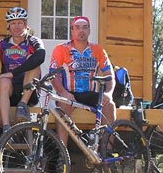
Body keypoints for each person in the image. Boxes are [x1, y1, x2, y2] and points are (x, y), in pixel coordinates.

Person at [49, 15, 116, 144]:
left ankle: (107, 151)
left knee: (110, 106)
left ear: (89, 30)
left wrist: (109, 93)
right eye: (77, 28)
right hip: (69, 93)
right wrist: (63, 93)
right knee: (62, 106)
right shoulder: (61, 49)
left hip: (90, 94)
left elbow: (109, 74)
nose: (81, 31)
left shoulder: (98, 50)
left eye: (85, 28)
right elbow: (53, 75)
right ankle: (62, 156)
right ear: (72, 31)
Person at [0, 7, 45, 133]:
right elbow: (3, 67)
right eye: (13, 23)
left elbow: (41, 56)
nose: (16, 26)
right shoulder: (2, 44)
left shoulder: (33, 41)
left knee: (33, 62)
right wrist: (7, 76)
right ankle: (6, 128)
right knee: (3, 81)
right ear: (9, 26)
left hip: (29, 93)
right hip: (11, 92)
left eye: (20, 22)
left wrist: (13, 73)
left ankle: (22, 105)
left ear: (25, 24)